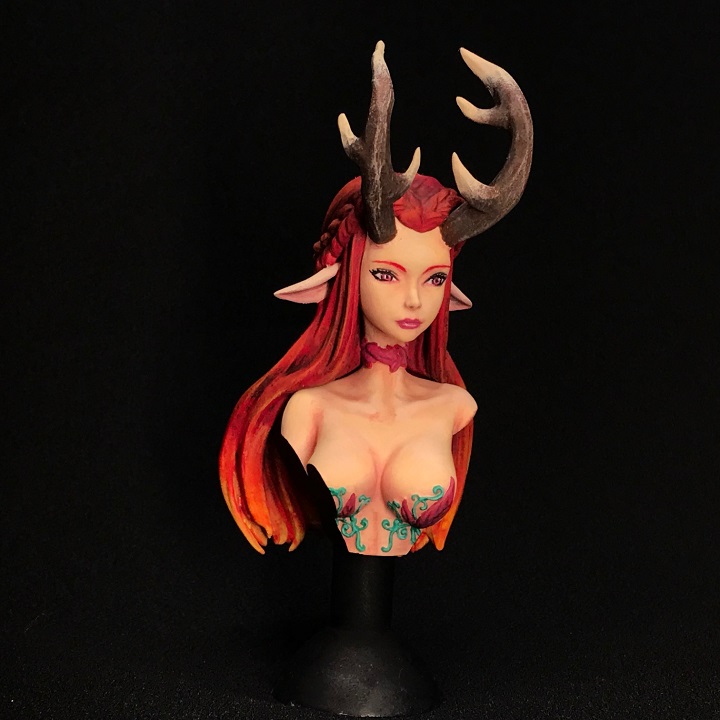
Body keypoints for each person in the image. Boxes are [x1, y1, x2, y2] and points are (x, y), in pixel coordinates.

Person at [219, 41, 532, 557]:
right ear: (344, 277)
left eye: (434, 279)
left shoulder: (455, 406)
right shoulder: (308, 409)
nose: (414, 301)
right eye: (387, 274)